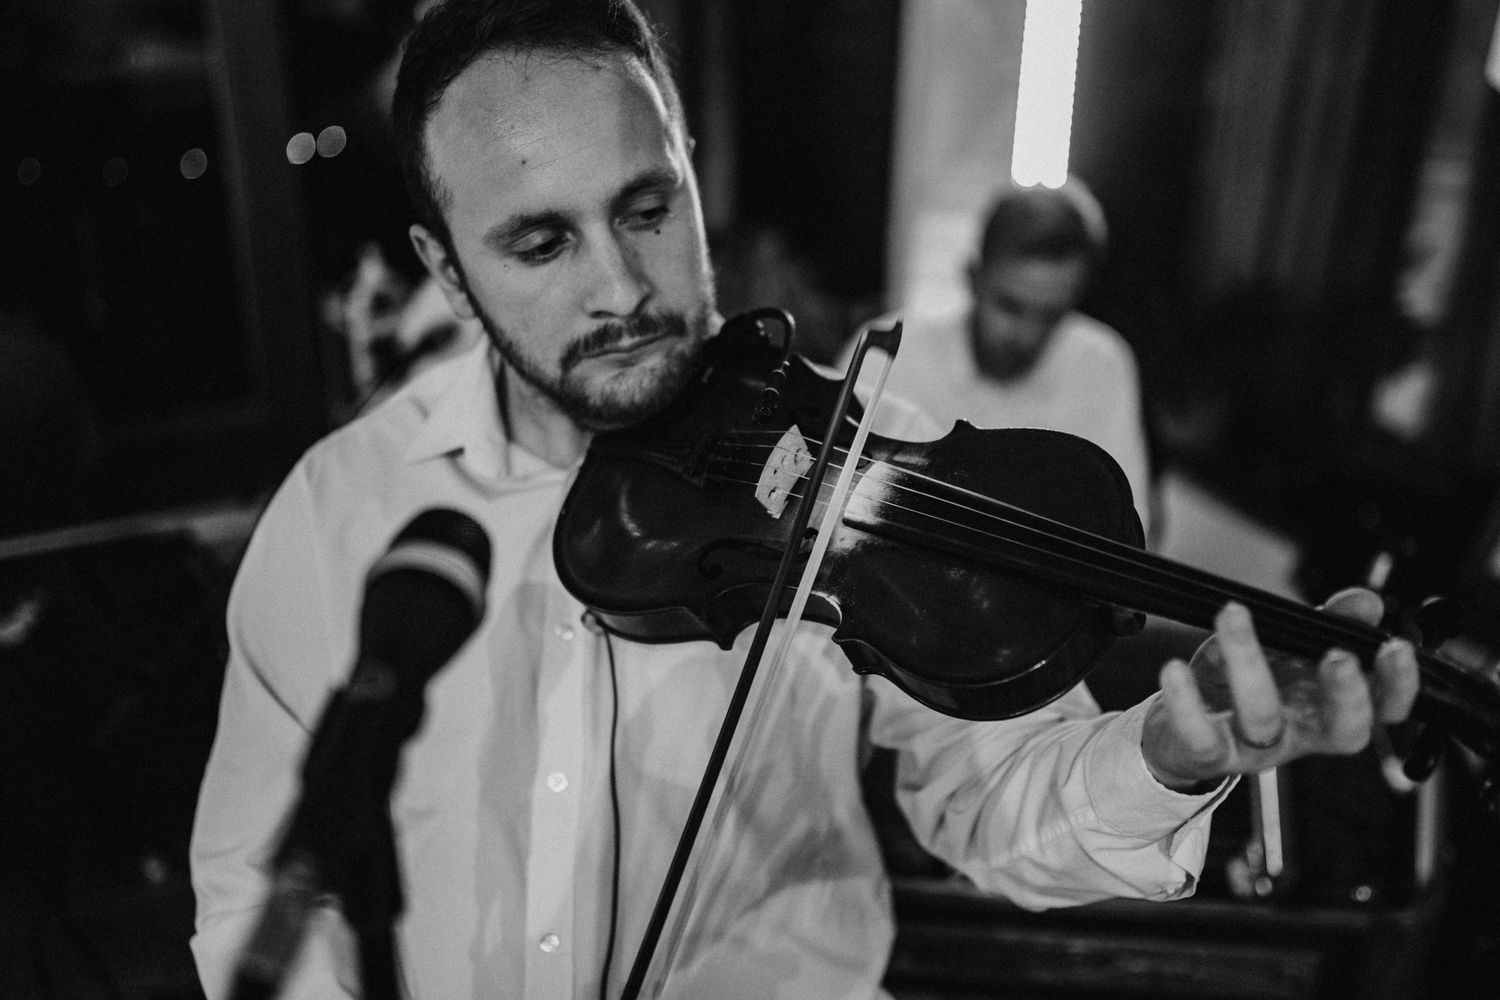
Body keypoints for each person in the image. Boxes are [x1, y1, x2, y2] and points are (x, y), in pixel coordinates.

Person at [188, 2, 1420, 998]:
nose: (623, 287)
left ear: (691, 179)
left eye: (647, 208)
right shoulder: (340, 510)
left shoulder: (860, 455)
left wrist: (1164, 755)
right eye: (541, 243)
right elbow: (252, 884)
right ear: (448, 276)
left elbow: (995, 798)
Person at [863, 178, 1155, 538]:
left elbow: (1123, 528)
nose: (1026, 337)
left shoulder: (1101, 363)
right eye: (1010, 306)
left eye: (1051, 316)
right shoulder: (890, 351)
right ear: (973, 278)